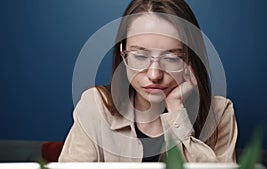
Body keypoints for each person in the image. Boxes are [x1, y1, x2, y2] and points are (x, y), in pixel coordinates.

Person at [59, 0, 237, 163]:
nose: (154, 74)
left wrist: (177, 114)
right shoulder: (96, 106)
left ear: (191, 60)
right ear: (123, 54)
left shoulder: (220, 113)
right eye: (140, 56)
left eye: (172, 58)